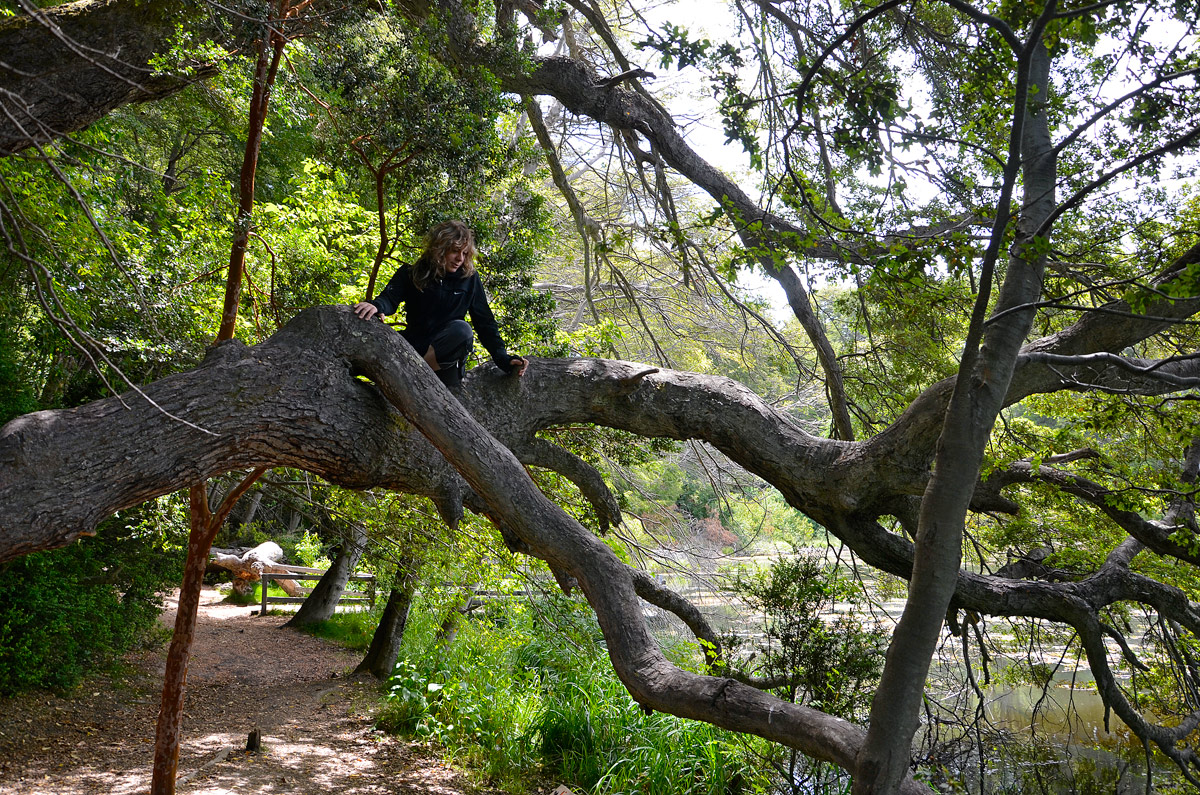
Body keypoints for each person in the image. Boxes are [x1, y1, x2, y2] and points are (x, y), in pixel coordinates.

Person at [353, 220, 528, 389]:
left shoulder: (470, 279)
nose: (460, 258)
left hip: (446, 366)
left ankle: (415, 375)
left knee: (462, 330)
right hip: (413, 350)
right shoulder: (411, 273)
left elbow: (485, 323)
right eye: (455, 251)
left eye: (465, 253)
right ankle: (403, 375)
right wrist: (376, 306)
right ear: (439, 249)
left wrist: (504, 359)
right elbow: (389, 299)